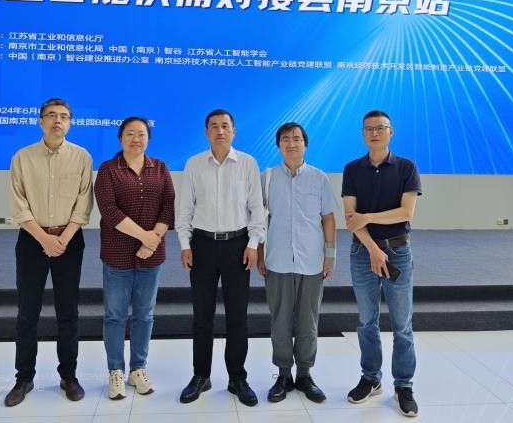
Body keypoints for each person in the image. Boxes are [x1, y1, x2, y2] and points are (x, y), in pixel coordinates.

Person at [5, 97, 94, 407]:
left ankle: (69, 376)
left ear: (70, 122)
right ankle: (23, 378)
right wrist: (44, 238)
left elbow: (83, 204)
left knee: (68, 312)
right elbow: (18, 205)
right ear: (40, 121)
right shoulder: (22, 157)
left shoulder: (82, 157)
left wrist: (62, 238)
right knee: (27, 312)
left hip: (69, 241)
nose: (58, 121)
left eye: (64, 116)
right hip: (32, 240)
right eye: (52, 115)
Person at [176, 109, 266, 407]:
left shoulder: (248, 164)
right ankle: (201, 375)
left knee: (237, 316)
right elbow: (185, 209)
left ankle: (237, 378)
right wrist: (185, 244)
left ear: (234, 131)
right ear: (206, 132)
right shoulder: (194, 164)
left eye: (225, 126)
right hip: (202, 245)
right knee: (202, 316)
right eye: (213, 126)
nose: (220, 131)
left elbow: (257, 209)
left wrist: (253, 244)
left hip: (237, 246)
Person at [341, 110, 422, 418]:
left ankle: (404, 385)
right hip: (363, 253)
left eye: (380, 128)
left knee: (402, 324)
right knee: (367, 321)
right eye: (369, 129)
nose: (375, 133)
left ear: (391, 131)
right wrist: (374, 249)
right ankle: (371, 378)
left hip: (398, 251)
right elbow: (351, 219)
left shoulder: (406, 167)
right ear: (363, 134)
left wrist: (369, 217)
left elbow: (405, 213)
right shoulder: (352, 169)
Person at [94, 117, 175, 400]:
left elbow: (168, 206)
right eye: (130, 134)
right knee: (115, 316)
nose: (136, 139)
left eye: (141, 134)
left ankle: (138, 369)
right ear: (120, 138)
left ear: (148, 139)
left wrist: (152, 241)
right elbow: (109, 211)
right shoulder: (108, 170)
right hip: (117, 254)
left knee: (144, 315)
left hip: (152, 257)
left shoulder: (160, 168)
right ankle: (115, 371)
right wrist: (145, 237)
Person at [257, 122, 338, 404]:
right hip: (277, 260)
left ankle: (304, 374)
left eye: (296, 138)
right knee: (280, 321)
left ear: (305, 143)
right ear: (278, 145)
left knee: (308, 321)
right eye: (285, 139)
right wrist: (259, 253)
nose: (291, 143)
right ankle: (283, 375)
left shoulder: (319, 178)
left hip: (312, 261)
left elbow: (328, 218)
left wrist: (330, 255)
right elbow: (259, 219)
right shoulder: (267, 178)